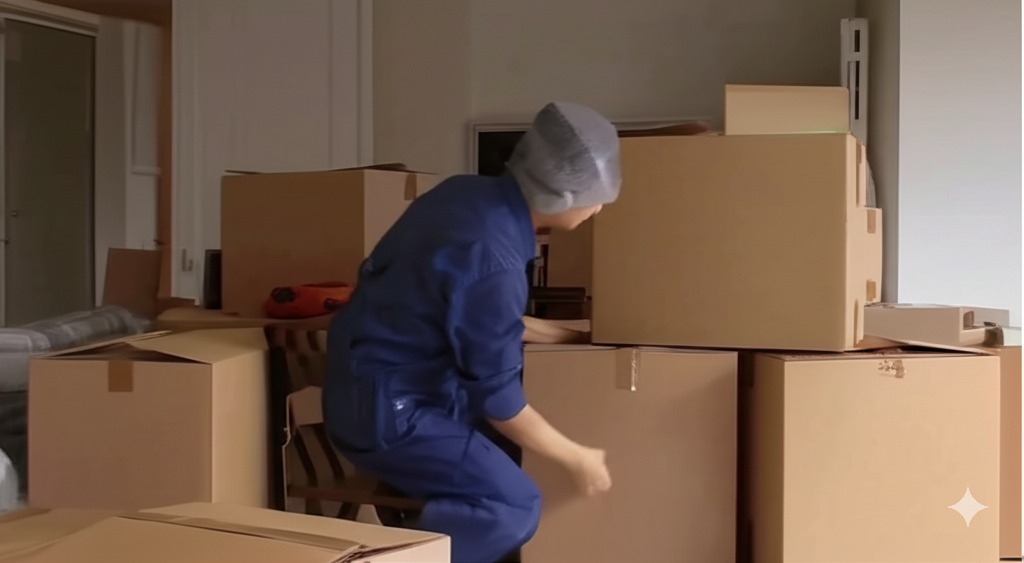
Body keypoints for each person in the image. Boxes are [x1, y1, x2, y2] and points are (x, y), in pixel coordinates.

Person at [323, 101, 620, 563]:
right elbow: (498, 399)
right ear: (560, 196)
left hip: (365, 385)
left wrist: (575, 338)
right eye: (594, 197)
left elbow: (475, 317)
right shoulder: (493, 254)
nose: (598, 209)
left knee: (509, 457)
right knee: (513, 505)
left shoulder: (464, 194)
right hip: (392, 413)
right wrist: (577, 457)